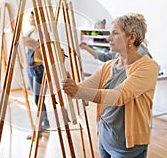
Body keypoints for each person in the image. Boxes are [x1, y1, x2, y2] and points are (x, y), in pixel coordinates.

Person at [62, 13, 159, 158]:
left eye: (115, 33)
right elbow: (83, 87)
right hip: (105, 138)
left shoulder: (148, 67)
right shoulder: (108, 66)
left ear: (131, 38)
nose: (108, 38)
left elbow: (119, 96)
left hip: (127, 147)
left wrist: (77, 91)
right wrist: (63, 70)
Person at [24, 11, 50, 139]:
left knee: (37, 99)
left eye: (31, 17)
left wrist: (35, 46)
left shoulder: (42, 33)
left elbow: (45, 54)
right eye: (30, 17)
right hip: (29, 67)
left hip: (39, 68)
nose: (30, 19)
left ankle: (39, 127)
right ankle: (45, 122)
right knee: (37, 98)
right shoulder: (29, 32)